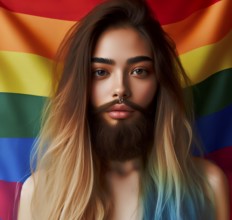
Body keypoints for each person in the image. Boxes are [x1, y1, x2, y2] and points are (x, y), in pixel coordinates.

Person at [18, 0, 230, 219]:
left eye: (139, 71)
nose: (120, 89)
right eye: (101, 72)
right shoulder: (38, 194)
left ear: (160, 83)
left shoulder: (208, 186)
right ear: (80, 85)